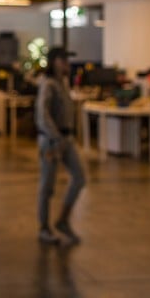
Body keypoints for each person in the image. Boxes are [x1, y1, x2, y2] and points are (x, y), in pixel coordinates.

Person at [34, 46, 86, 244]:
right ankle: (44, 228)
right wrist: (55, 138)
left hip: (66, 139)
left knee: (79, 178)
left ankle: (63, 220)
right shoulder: (48, 84)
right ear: (54, 61)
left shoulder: (62, 83)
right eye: (63, 60)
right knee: (47, 186)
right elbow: (42, 115)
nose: (67, 64)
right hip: (51, 141)